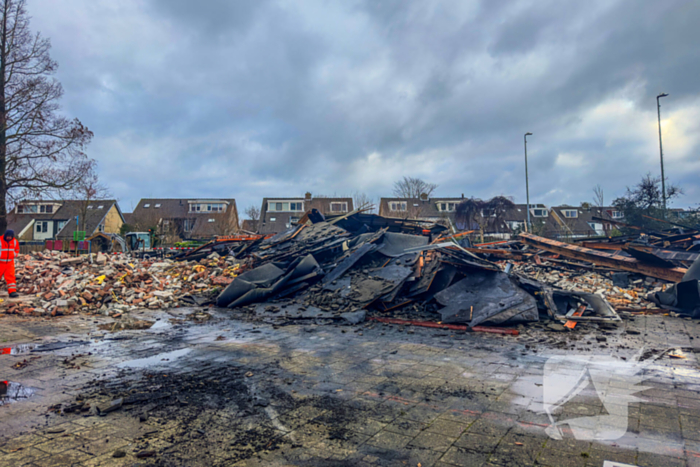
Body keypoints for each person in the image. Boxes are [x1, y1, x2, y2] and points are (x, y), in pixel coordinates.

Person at [1, 229, 20, 298]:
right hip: (0, 262)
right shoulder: (0, 241)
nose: (9, 238)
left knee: (11, 277)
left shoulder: (15, 241)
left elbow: (17, 249)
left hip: (10, 262)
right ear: (5, 235)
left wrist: (14, 255)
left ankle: (12, 292)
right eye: (8, 236)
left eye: (10, 236)